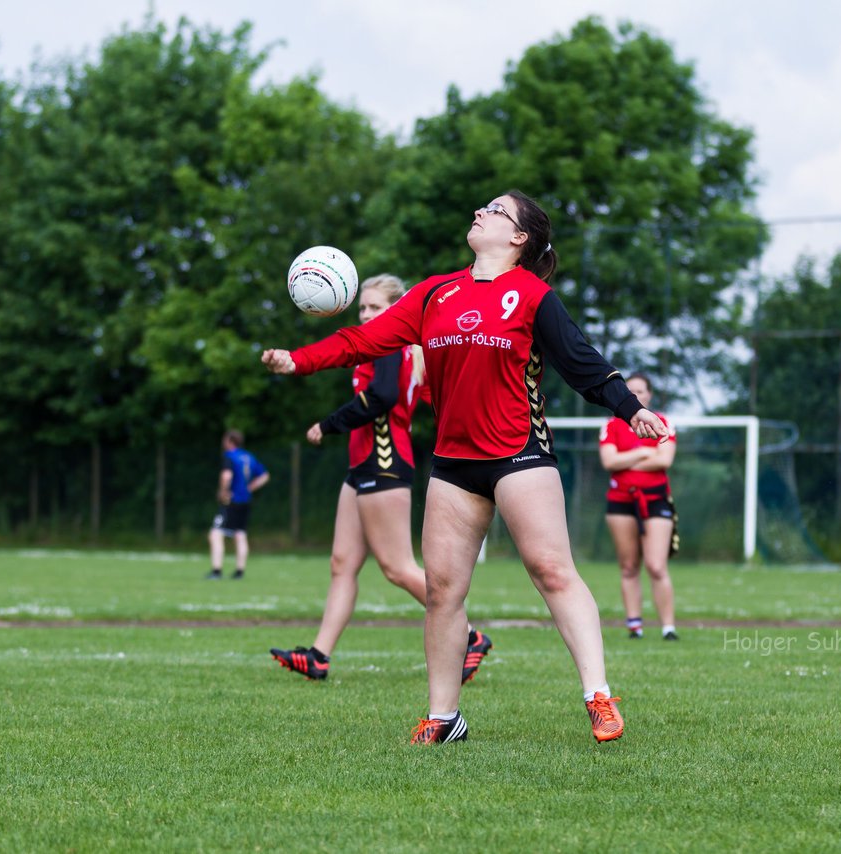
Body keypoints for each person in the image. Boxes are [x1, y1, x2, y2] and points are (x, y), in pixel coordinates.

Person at [262, 190, 669, 745]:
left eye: (497, 210)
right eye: (482, 206)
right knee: (442, 591)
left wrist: (633, 408)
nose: (480, 211)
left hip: (518, 453)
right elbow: (365, 341)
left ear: (519, 238)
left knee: (551, 571)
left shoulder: (531, 295)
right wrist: (300, 360)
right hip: (454, 464)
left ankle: (597, 695)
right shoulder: (436, 292)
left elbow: (584, 365)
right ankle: (444, 717)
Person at [269, 274, 492, 683]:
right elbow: (422, 395)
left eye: (375, 307)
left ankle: (470, 637)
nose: (368, 314)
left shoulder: (389, 345)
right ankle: (319, 656)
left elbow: (383, 397)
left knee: (397, 567)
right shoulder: (394, 349)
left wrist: (330, 423)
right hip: (363, 465)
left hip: (383, 462)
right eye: (363, 308)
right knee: (343, 563)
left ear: (395, 309)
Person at [599, 372, 680, 641]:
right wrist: (645, 453)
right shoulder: (612, 426)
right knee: (629, 565)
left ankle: (668, 627)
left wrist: (627, 461)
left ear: (650, 394)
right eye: (630, 391)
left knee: (656, 565)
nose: (636, 396)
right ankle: (634, 625)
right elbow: (609, 462)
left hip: (655, 500)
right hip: (620, 501)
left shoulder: (664, 423)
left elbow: (664, 461)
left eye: (641, 391)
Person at [207, 429, 269, 580]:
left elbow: (226, 475)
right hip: (245, 501)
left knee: (215, 533)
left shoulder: (229, 456)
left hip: (231, 501)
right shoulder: (248, 457)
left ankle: (216, 570)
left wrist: (223, 492)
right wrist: (250, 488)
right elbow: (265, 476)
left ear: (229, 441)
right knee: (240, 534)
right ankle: (239, 571)